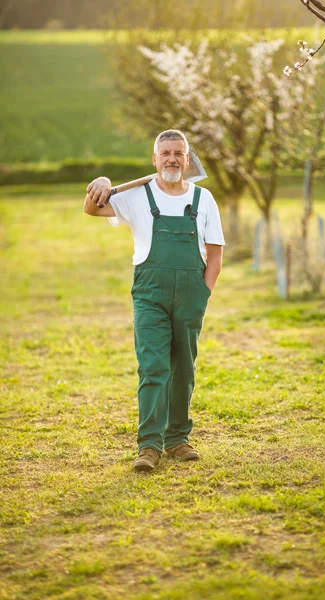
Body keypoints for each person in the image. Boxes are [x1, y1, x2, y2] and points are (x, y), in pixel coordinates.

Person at [84, 129, 225, 472]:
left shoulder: (203, 199)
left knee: (183, 369)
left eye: (179, 153)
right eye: (166, 153)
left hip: (191, 294)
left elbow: (216, 255)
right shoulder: (136, 196)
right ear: (155, 159)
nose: (172, 159)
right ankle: (149, 446)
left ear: (187, 159)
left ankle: (178, 439)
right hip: (149, 295)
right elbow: (91, 208)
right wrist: (102, 181)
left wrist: (202, 295)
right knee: (153, 367)